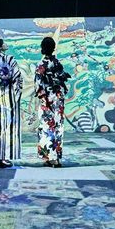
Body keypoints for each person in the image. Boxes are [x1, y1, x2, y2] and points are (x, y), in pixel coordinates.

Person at [35, 37, 70, 168]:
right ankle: (55, 157)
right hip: (57, 98)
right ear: (54, 47)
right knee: (58, 127)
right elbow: (63, 80)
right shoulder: (57, 63)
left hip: (46, 99)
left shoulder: (41, 64)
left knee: (46, 127)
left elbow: (38, 84)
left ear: (42, 47)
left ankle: (47, 157)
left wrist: (43, 97)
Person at [0, 39, 23, 168]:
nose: (5, 44)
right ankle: (6, 157)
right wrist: (17, 93)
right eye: (3, 43)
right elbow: (17, 77)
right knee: (10, 125)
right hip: (9, 95)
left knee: (1, 126)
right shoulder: (10, 59)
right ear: (1, 47)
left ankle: (1, 156)